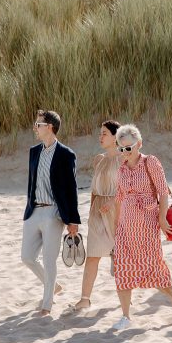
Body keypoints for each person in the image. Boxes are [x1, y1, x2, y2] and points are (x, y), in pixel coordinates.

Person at [111, 124, 172, 331]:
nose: (124, 153)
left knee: (152, 268)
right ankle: (125, 316)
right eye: (121, 149)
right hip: (125, 226)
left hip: (147, 222)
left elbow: (163, 192)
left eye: (128, 148)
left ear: (139, 144)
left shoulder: (150, 162)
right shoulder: (120, 169)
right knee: (123, 268)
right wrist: (116, 226)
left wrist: (163, 218)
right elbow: (119, 199)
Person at [22, 110, 81, 317]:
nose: (35, 128)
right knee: (27, 257)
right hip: (33, 211)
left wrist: (73, 220)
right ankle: (54, 286)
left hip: (54, 214)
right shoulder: (34, 152)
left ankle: (47, 304)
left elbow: (71, 188)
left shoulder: (66, 154)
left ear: (50, 127)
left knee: (49, 260)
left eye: (38, 125)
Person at [74, 120, 120, 311]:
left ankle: (125, 298)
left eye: (104, 134)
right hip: (98, 211)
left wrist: (113, 203)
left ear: (115, 137)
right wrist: (92, 210)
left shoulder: (124, 159)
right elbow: (94, 189)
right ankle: (85, 298)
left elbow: (128, 188)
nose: (100, 137)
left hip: (117, 208)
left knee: (119, 256)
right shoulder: (99, 159)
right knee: (92, 256)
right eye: (100, 133)